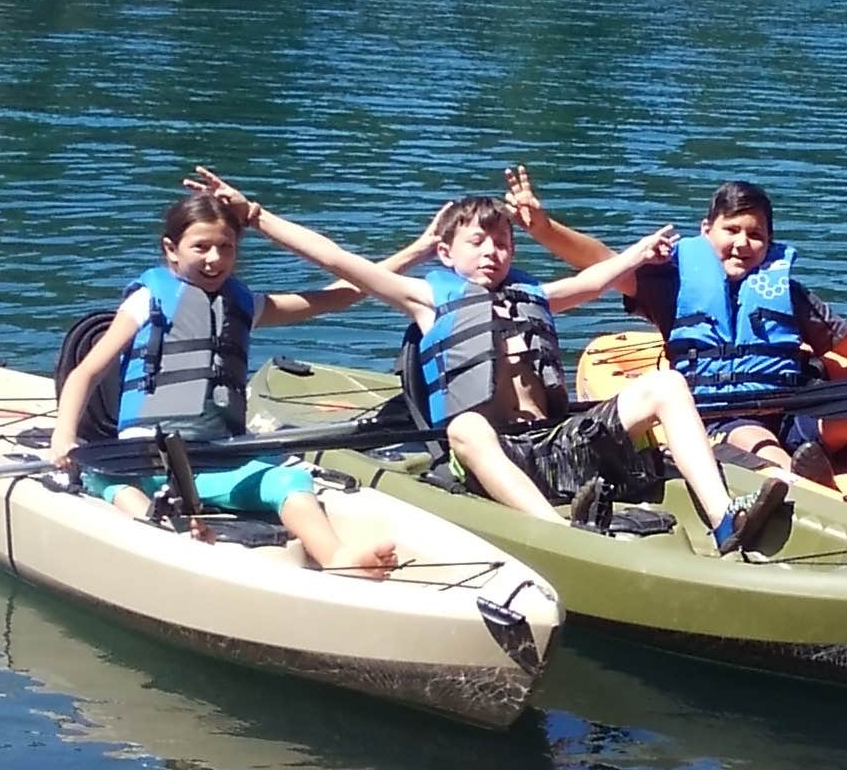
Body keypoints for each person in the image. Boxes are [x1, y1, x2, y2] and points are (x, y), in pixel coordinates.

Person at [183, 171, 788, 553]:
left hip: (555, 445)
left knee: (666, 384)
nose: (494, 252)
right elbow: (340, 261)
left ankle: (724, 519)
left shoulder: (533, 294)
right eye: (478, 242)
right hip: (491, 456)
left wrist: (639, 251)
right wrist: (256, 217)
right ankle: (563, 538)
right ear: (446, 254)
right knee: (466, 426)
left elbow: (595, 281)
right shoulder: (426, 297)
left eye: (503, 242)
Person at [504, 168, 847, 495]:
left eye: (756, 235)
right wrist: (543, 228)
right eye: (732, 230)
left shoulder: (784, 291)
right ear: (706, 229)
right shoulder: (669, 285)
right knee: (757, 443)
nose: (743, 243)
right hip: (725, 416)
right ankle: (811, 488)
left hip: (794, 404)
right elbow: (603, 263)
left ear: (769, 243)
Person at [46, 182, 405, 579]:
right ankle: (158, 528)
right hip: (145, 457)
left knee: (289, 480)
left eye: (226, 247)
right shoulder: (146, 301)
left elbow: (340, 296)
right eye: (200, 247)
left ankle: (337, 558)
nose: (214, 259)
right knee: (108, 476)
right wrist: (64, 436)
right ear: (171, 249)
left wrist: (416, 252)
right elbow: (86, 372)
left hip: (214, 456)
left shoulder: (242, 304)